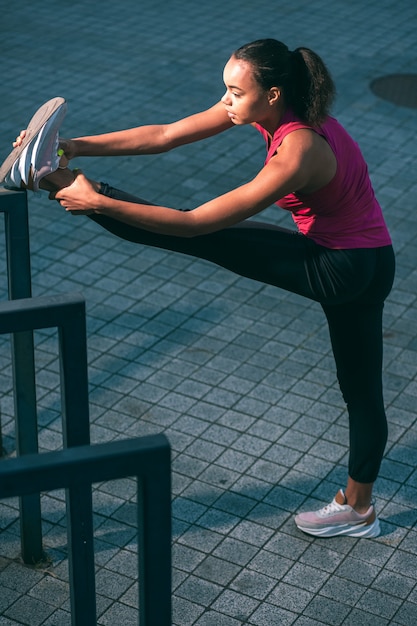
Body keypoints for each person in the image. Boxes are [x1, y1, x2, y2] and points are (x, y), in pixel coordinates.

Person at [1, 39, 395, 538]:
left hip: (339, 267)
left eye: (234, 91)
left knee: (210, 237)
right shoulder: (274, 108)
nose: (226, 100)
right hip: (375, 261)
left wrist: (97, 202)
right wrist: (73, 144)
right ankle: (360, 511)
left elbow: (195, 223)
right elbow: (164, 135)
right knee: (361, 394)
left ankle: (48, 179)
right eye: (225, 89)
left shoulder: (299, 150)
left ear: (272, 94)